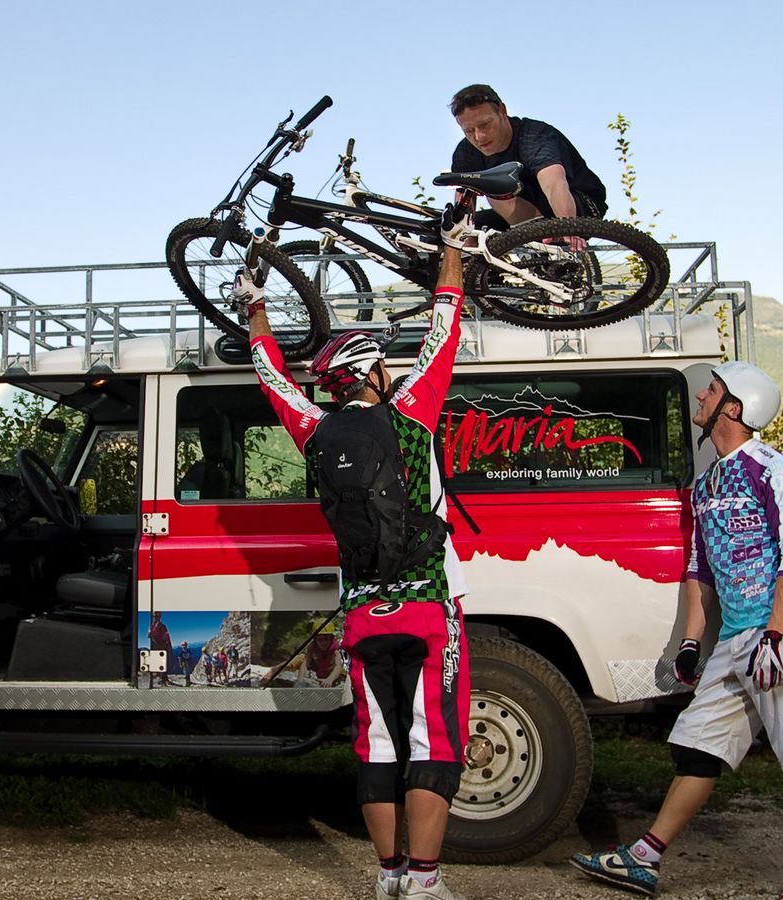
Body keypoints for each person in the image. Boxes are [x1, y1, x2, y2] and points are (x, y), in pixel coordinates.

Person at [244, 212, 471, 900]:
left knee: (377, 742)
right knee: (433, 741)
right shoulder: (413, 415)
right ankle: (426, 884)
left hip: (364, 613)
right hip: (431, 606)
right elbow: (445, 325)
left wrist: (253, 302)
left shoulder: (313, 432)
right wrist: (453, 251)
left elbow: (270, 375)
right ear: (372, 372)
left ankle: (387, 877)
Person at [571, 361, 783, 900]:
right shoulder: (708, 481)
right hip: (734, 639)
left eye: (712, 389)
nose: (702, 394)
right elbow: (699, 566)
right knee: (699, 749)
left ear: (734, 408)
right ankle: (644, 858)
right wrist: (693, 640)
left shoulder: (775, 470)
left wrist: (777, 632)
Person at [448, 84, 607, 241]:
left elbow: (553, 184)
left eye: (484, 125)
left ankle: (539, 243)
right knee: (447, 230)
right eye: (469, 130)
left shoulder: (534, 136)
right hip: (522, 212)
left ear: (502, 111)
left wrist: (566, 226)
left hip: (577, 205)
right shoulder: (466, 151)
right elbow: (463, 208)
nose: (479, 137)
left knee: (493, 187)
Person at [147, 612, 172, 687]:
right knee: (160, 662)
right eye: (155, 616)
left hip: (162, 646)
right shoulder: (152, 626)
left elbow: (167, 636)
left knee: (164, 662)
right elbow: (149, 635)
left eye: (158, 616)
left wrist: (169, 646)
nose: (157, 618)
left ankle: (164, 678)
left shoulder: (162, 626)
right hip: (157, 647)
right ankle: (162, 679)